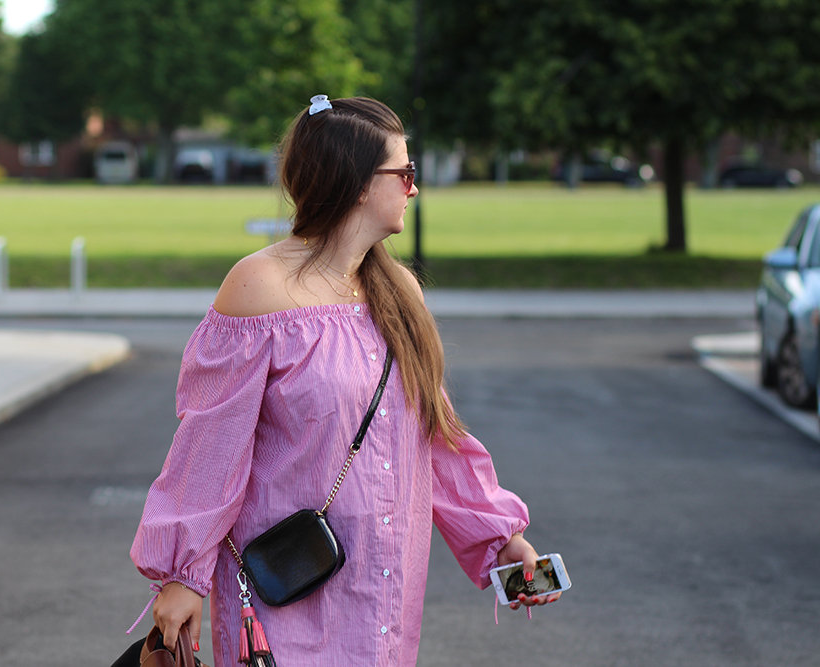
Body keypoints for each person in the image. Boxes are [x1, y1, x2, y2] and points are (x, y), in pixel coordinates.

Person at [130, 95, 560, 667]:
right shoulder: (257, 287)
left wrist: (500, 538)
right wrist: (183, 576)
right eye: (404, 172)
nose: (414, 187)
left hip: (383, 586)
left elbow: (435, 436)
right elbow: (209, 449)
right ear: (357, 182)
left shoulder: (399, 292)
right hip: (283, 590)